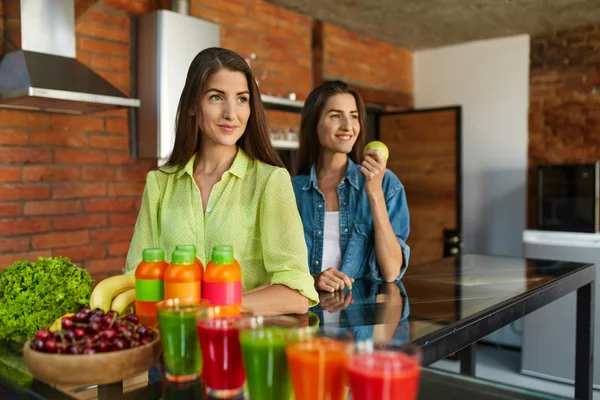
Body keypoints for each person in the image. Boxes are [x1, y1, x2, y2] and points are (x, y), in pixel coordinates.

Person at [125, 47, 318, 315]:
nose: (231, 113)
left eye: (241, 99)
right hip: (173, 344)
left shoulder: (270, 181)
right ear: (193, 105)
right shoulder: (160, 184)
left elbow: (297, 293)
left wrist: (210, 309)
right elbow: (137, 278)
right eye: (216, 97)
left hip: (243, 345)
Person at [292, 80, 410, 292]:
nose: (348, 126)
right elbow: (278, 270)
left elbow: (391, 272)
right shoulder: (292, 191)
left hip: (359, 320)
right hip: (308, 318)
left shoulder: (387, 184)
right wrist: (313, 280)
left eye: (354, 116)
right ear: (314, 123)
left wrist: (374, 193)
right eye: (336, 115)